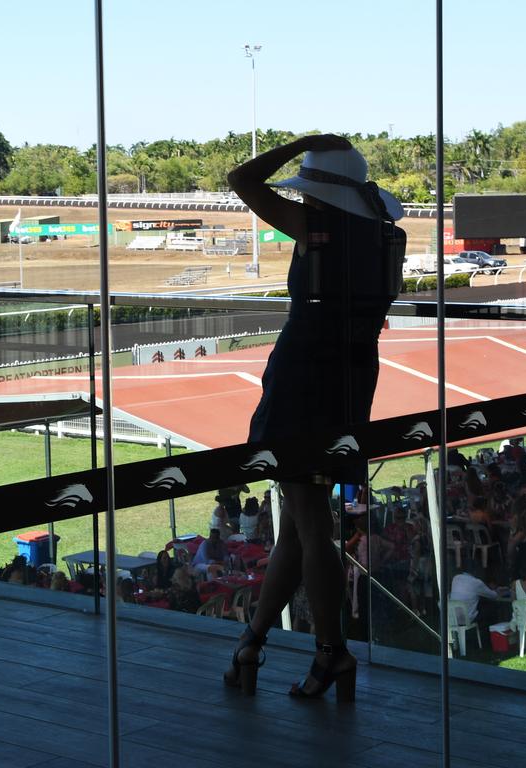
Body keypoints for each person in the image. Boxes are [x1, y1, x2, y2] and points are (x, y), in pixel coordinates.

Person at [221, 134, 405, 700]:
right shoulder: (384, 237)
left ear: (317, 190)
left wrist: (301, 142)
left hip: (303, 376)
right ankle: (253, 641)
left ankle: (332, 652)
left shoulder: (314, 230)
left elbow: (241, 179)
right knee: (303, 522)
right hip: (353, 380)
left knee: (311, 524)